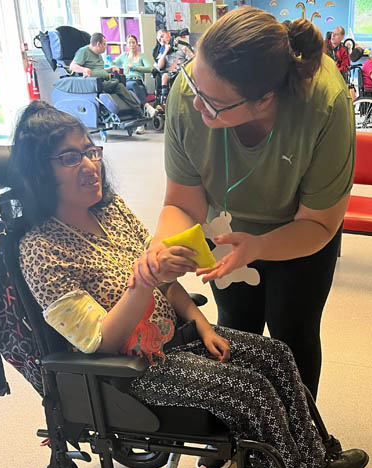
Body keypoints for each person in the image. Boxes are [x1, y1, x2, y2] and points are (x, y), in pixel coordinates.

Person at [10, 101, 368, 468]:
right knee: (250, 389)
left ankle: (314, 458)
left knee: (277, 355)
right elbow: (100, 340)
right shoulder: (41, 252)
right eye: (70, 157)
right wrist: (141, 284)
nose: (90, 164)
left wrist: (199, 322)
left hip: (178, 336)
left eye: (91, 150)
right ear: (38, 171)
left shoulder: (111, 211)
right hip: (133, 370)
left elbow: (162, 278)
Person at [134, 8, 354, 409]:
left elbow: (318, 224)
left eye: (213, 104)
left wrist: (257, 247)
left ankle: (299, 439)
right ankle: (237, 430)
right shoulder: (192, 96)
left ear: (264, 98)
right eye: (194, 88)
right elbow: (182, 203)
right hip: (227, 227)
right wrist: (162, 246)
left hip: (300, 232)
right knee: (235, 327)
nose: (197, 106)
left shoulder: (325, 103)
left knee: (294, 333)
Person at [70, 32, 156, 120]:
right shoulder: (83, 51)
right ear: (98, 44)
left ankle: (138, 113)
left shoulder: (98, 55)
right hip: (94, 83)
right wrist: (83, 70)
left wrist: (110, 69)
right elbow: (72, 66)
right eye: (104, 44)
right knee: (117, 83)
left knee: (120, 86)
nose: (105, 46)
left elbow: (100, 70)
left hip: (105, 81)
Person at [113, 34, 153, 134]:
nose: (131, 45)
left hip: (138, 81)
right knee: (135, 86)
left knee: (139, 88)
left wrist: (135, 68)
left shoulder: (141, 56)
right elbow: (112, 63)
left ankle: (141, 124)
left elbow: (150, 68)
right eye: (129, 43)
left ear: (137, 44)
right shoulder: (123, 56)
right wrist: (112, 65)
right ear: (126, 45)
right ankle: (148, 108)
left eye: (133, 42)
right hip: (127, 82)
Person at [152, 29, 194, 103]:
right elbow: (160, 66)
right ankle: (164, 100)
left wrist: (187, 52)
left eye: (162, 36)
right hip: (169, 73)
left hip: (182, 71)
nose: (162, 40)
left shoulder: (182, 46)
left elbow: (194, 60)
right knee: (164, 77)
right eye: (159, 40)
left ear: (168, 34)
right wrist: (165, 51)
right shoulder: (162, 51)